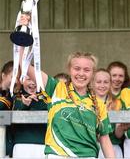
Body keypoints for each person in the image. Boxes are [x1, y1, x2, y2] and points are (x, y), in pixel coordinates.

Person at [18, 13, 115, 158]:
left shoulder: (99, 104)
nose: (81, 73)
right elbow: (25, 66)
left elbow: (105, 139)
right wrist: (23, 30)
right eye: (77, 68)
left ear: (92, 73)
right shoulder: (57, 88)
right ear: (69, 70)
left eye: (87, 70)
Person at [12, 75, 47, 158]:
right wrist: (24, 105)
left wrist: (36, 102)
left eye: (35, 79)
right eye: (28, 79)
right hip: (21, 145)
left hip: (42, 145)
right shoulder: (16, 97)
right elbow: (11, 116)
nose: (32, 82)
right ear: (21, 81)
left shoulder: (46, 97)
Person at [92, 68, 123, 158]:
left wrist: (122, 127)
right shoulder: (86, 102)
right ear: (92, 83)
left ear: (110, 84)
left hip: (112, 147)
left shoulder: (117, 103)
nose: (102, 85)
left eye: (106, 82)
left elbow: (118, 134)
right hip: (91, 147)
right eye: (99, 82)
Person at [0, 61, 14, 157]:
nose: (16, 81)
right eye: (12, 77)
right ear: (3, 76)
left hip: (7, 141)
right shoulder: (8, 98)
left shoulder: (12, 94)